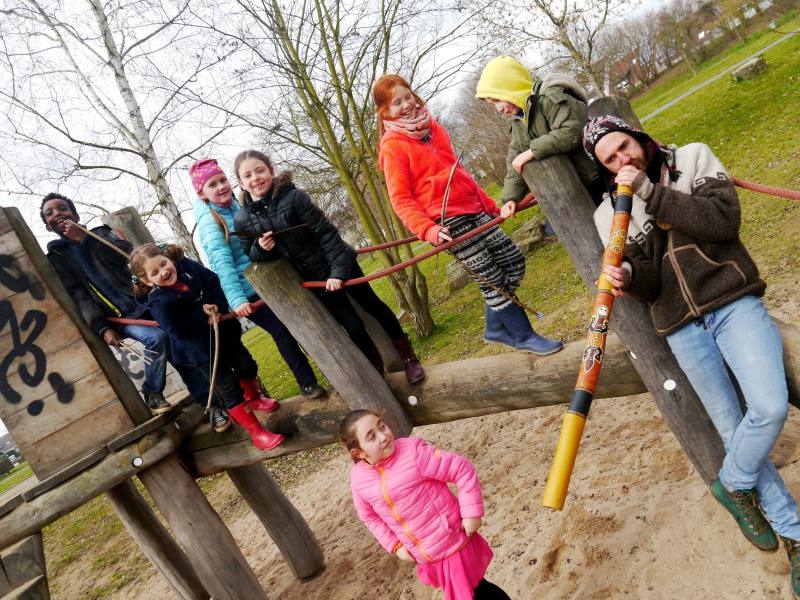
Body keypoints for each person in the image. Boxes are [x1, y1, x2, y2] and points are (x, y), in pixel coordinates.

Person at [582, 115, 800, 597]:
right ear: (601, 168)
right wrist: (627, 280)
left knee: (767, 408)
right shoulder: (606, 215)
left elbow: (723, 221)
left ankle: (732, 481)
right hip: (681, 328)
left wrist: (647, 191)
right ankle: (796, 537)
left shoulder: (693, 158)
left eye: (625, 147)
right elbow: (651, 284)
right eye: (610, 159)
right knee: (730, 425)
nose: (623, 160)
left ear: (639, 139)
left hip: (732, 301)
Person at [372, 74, 562, 355]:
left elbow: (460, 175)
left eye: (408, 96)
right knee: (492, 279)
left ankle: (496, 327)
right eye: (397, 103)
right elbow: (401, 199)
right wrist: (428, 230)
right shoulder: (393, 147)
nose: (407, 105)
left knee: (513, 262)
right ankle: (523, 335)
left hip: (473, 209)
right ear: (385, 112)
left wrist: (490, 207)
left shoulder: (433, 129)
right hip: (446, 221)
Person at [231, 149, 425, 383]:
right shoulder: (243, 219)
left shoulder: (294, 197)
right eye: (248, 175)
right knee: (352, 326)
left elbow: (326, 234)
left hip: (339, 263)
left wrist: (337, 272)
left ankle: (408, 357)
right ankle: (376, 371)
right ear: (241, 183)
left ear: (271, 170)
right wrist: (262, 248)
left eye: (260, 170)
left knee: (373, 306)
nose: (256, 178)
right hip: (314, 280)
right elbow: (251, 254)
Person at [189, 158, 325, 399]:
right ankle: (307, 382)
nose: (221, 187)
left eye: (222, 180)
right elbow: (223, 264)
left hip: (269, 277)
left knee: (305, 317)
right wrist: (237, 298)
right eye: (212, 184)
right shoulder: (211, 224)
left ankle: (328, 367)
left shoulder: (238, 206)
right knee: (281, 330)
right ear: (202, 193)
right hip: (248, 290)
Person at [339, 409, 511, 600]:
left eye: (382, 426)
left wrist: (471, 512)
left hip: (452, 539)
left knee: (473, 592)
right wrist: (395, 545)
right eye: (371, 436)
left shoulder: (414, 454)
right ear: (359, 452)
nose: (383, 436)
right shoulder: (359, 480)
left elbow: (461, 469)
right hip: (427, 553)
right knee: (479, 589)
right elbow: (369, 516)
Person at [130, 242, 284, 450]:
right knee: (227, 387)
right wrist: (201, 315)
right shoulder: (159, 302)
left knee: (246, 366)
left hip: (225, 333)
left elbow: (212, 281)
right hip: (201, 351)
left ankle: (254, 398)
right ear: (147, 280)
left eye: (164, 264)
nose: (164, 272)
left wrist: (218, 308)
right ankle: (257, 433)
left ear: (168, 257)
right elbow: (176, 330)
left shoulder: (187, 266)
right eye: (155, 272)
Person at [40, 193, 175, 417]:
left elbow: (126, 255)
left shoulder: (101, 234)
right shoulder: (57, 257)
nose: (57, 214)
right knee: (157, 339)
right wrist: (102, 327)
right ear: (47, 225)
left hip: (143, 303)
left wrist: (85, 239)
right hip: (118, 318)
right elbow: (78, 293)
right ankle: (152, 391)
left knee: (178, 341)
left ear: (74, 214)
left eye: (62, 208)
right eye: (49, 213)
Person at [475, 55, 604, 237]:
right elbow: (515, 159)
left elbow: (574, 131)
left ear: (510, 88)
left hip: (595, 178)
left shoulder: (549, 99)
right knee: (567, 232)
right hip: (568, 187)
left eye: (497, 100)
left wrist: (533, 151)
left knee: (614, 230)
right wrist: (511, 197)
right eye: (492, 104)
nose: (498, 109)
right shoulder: (520, 120)